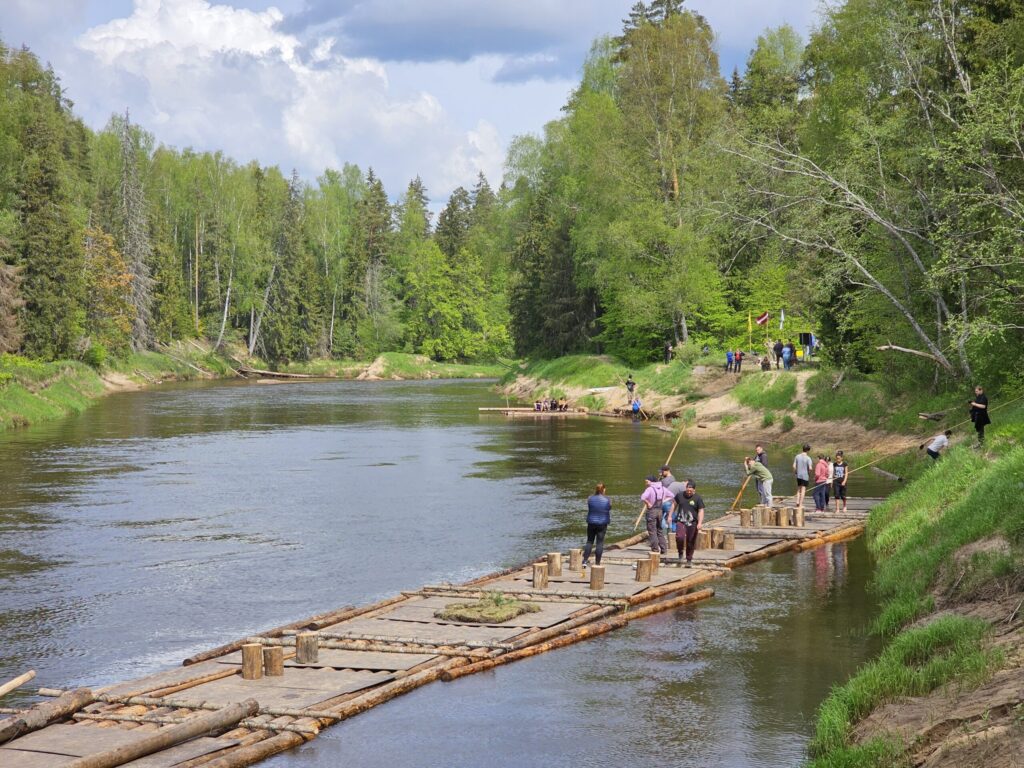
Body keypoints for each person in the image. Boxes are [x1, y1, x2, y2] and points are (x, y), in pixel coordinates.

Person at [672, 481, 705, 567]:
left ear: (694, 490)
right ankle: (680, 553)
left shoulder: (698, 498)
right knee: (680, 537)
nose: (689, 492)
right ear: (685, 488)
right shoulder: (679, 495)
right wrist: (669, 515)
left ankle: (689, 559)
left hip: (693, 522)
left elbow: (701, 511)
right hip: (680, 521)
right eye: (687, 490)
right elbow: (674, 505)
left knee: (690, 541)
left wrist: (700, 523)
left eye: (691, 490)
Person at [583, 483, 611, 567]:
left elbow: (590, 507)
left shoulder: (590, 498)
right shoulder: (608, 499)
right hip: (602, 524)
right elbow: (609, 508)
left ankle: (584, 561)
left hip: (591, 522)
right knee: (600, 543)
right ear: (604, 489)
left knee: (589, 541)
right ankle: (597, 563)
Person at [641, 474, 669, 555]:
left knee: (652, 531)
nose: (646, 483)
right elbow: (672, 495)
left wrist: (648, 503)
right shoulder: (662, 488)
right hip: (660, 511)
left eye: (647, 481)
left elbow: (642, 497)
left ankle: (655, 549)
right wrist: (664, 500)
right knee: (659, 530)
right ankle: (664, 549)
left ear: (651, 481)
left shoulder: (649, 489)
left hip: (652, 512)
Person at [793, 443, 813, 509]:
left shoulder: (797, 456)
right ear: (808, 450)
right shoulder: (808, 458)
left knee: (798, 489)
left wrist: (796, 471)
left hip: (798, 475)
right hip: (805, 476)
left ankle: (797, 502)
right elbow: (810, 468)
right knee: (803, 490)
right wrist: (809, 472)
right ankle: (801, 504)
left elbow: (794, 466)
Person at [659, 465, 676, 535]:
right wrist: (662, 477)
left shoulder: (664, 481)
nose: (661, 473)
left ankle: (664, 534)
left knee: (663, 518)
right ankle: (673, 532)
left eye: (662, 471)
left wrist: (660, 479)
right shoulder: (673, 478)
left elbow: (659, 488)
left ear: (667, 471)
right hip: (670, 501)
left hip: (665, 501)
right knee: (671, 517)